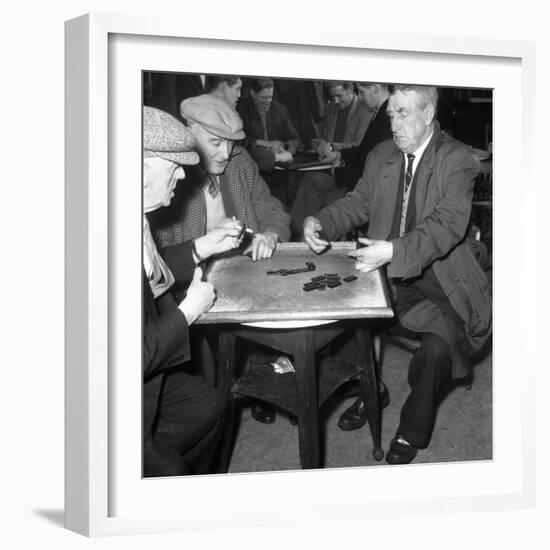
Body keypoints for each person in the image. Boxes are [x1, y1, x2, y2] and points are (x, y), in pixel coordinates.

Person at [302, 85, 492, 465]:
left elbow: (446, 225)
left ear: (428, 112)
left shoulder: (457, 159)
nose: (394, 123)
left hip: (439, 277)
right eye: (390, 114)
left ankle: (411, 429)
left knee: (437, 351)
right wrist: (320, 220)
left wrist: (393, 250)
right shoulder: (381, 155)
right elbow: (358, 202)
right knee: (339, 315)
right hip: (384, 271)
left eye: (403, 113)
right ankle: (372, 392)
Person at [151, 94, 291, 424]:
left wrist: (270, 233)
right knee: (211, 384)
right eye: (215, 142)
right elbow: (162, 260)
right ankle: (227, 393)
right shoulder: (170, 176)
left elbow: (275, 212)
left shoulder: (239, 162)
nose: (225, 153)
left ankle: (260, 385)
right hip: (190, 286)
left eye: (230, 144)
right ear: (189, 132)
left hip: (244, 274)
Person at [142, 106, 243, 477]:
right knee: (169, 471)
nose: (183, 173)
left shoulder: (134, 215)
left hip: (146, 375)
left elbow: (153, 270)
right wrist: (188, 311)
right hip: (110, 400)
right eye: (173, 166)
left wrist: (204, 245)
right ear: (139, 174)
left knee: (213, 405)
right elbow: (129, 355)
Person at [290, 82, 392, 239]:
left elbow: (368, 166)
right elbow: (363, 151)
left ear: (376, 89)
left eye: (362, 92)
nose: (361, 98)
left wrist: (336, 170)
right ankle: (298, 232)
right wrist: (340, 154)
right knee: (310, 181)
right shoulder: (378, 112)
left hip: (360, 183)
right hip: (352, 173)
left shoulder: (383, 115)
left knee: (326, 198)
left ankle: (307, 234)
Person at [237, 78, 301, 204]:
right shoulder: (241, 109)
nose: (267, 102)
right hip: (254, 168)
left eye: (270, 97)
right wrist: (264, 143)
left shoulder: (280, 109)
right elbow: (239, 141)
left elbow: (295, 139)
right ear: (252, 94)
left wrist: (286, 147)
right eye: (263, 98)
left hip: (278, 170)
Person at [312, 81, 371, 156]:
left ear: (350, 90)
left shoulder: (365, 110)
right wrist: (319, 143)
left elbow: (360, 145)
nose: (336, 101)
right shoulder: (330, 108)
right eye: (332, 97)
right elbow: (326, 138)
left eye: (339, 96)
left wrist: (331, 147)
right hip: (329, 159)